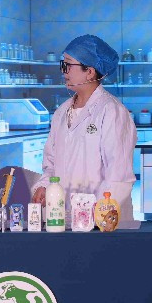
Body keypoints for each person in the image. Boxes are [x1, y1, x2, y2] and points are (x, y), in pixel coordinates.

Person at [31, 34, 138, 227]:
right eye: (62, 65)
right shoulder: (62, 112)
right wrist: (44, 186)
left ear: (89, 72)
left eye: (68, 65)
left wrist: (100, 214)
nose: (63, 71)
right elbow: (51, 164)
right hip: (65, 218)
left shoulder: (112, 111)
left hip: (103, 222)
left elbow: (119, 174)